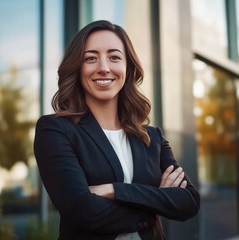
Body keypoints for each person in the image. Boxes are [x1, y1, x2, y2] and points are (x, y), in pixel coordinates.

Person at [34, 20, 200, 240]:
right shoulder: (55, 130)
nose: (104, 67)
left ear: (127, 67)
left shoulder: (152, 137)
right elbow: (81, 211)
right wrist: (158, 201)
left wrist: (114, 190)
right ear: (77, 67)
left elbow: (188, 201)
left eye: (114, 57)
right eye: (91, 58)